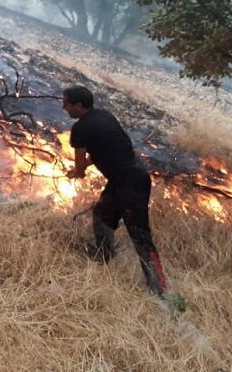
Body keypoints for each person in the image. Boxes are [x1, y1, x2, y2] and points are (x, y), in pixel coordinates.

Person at [62, 85, 168, 296]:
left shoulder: (80, 129)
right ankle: (103, 254)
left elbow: (81, 166)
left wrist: (77, 172)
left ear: (79, 106)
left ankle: (159, 288)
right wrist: (83, 167)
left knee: (140, 235)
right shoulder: (103, 115)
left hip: (129, 186)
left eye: (67, 103)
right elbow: (102, 149)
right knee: (102, 213)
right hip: (131, 177)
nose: (63, 107)